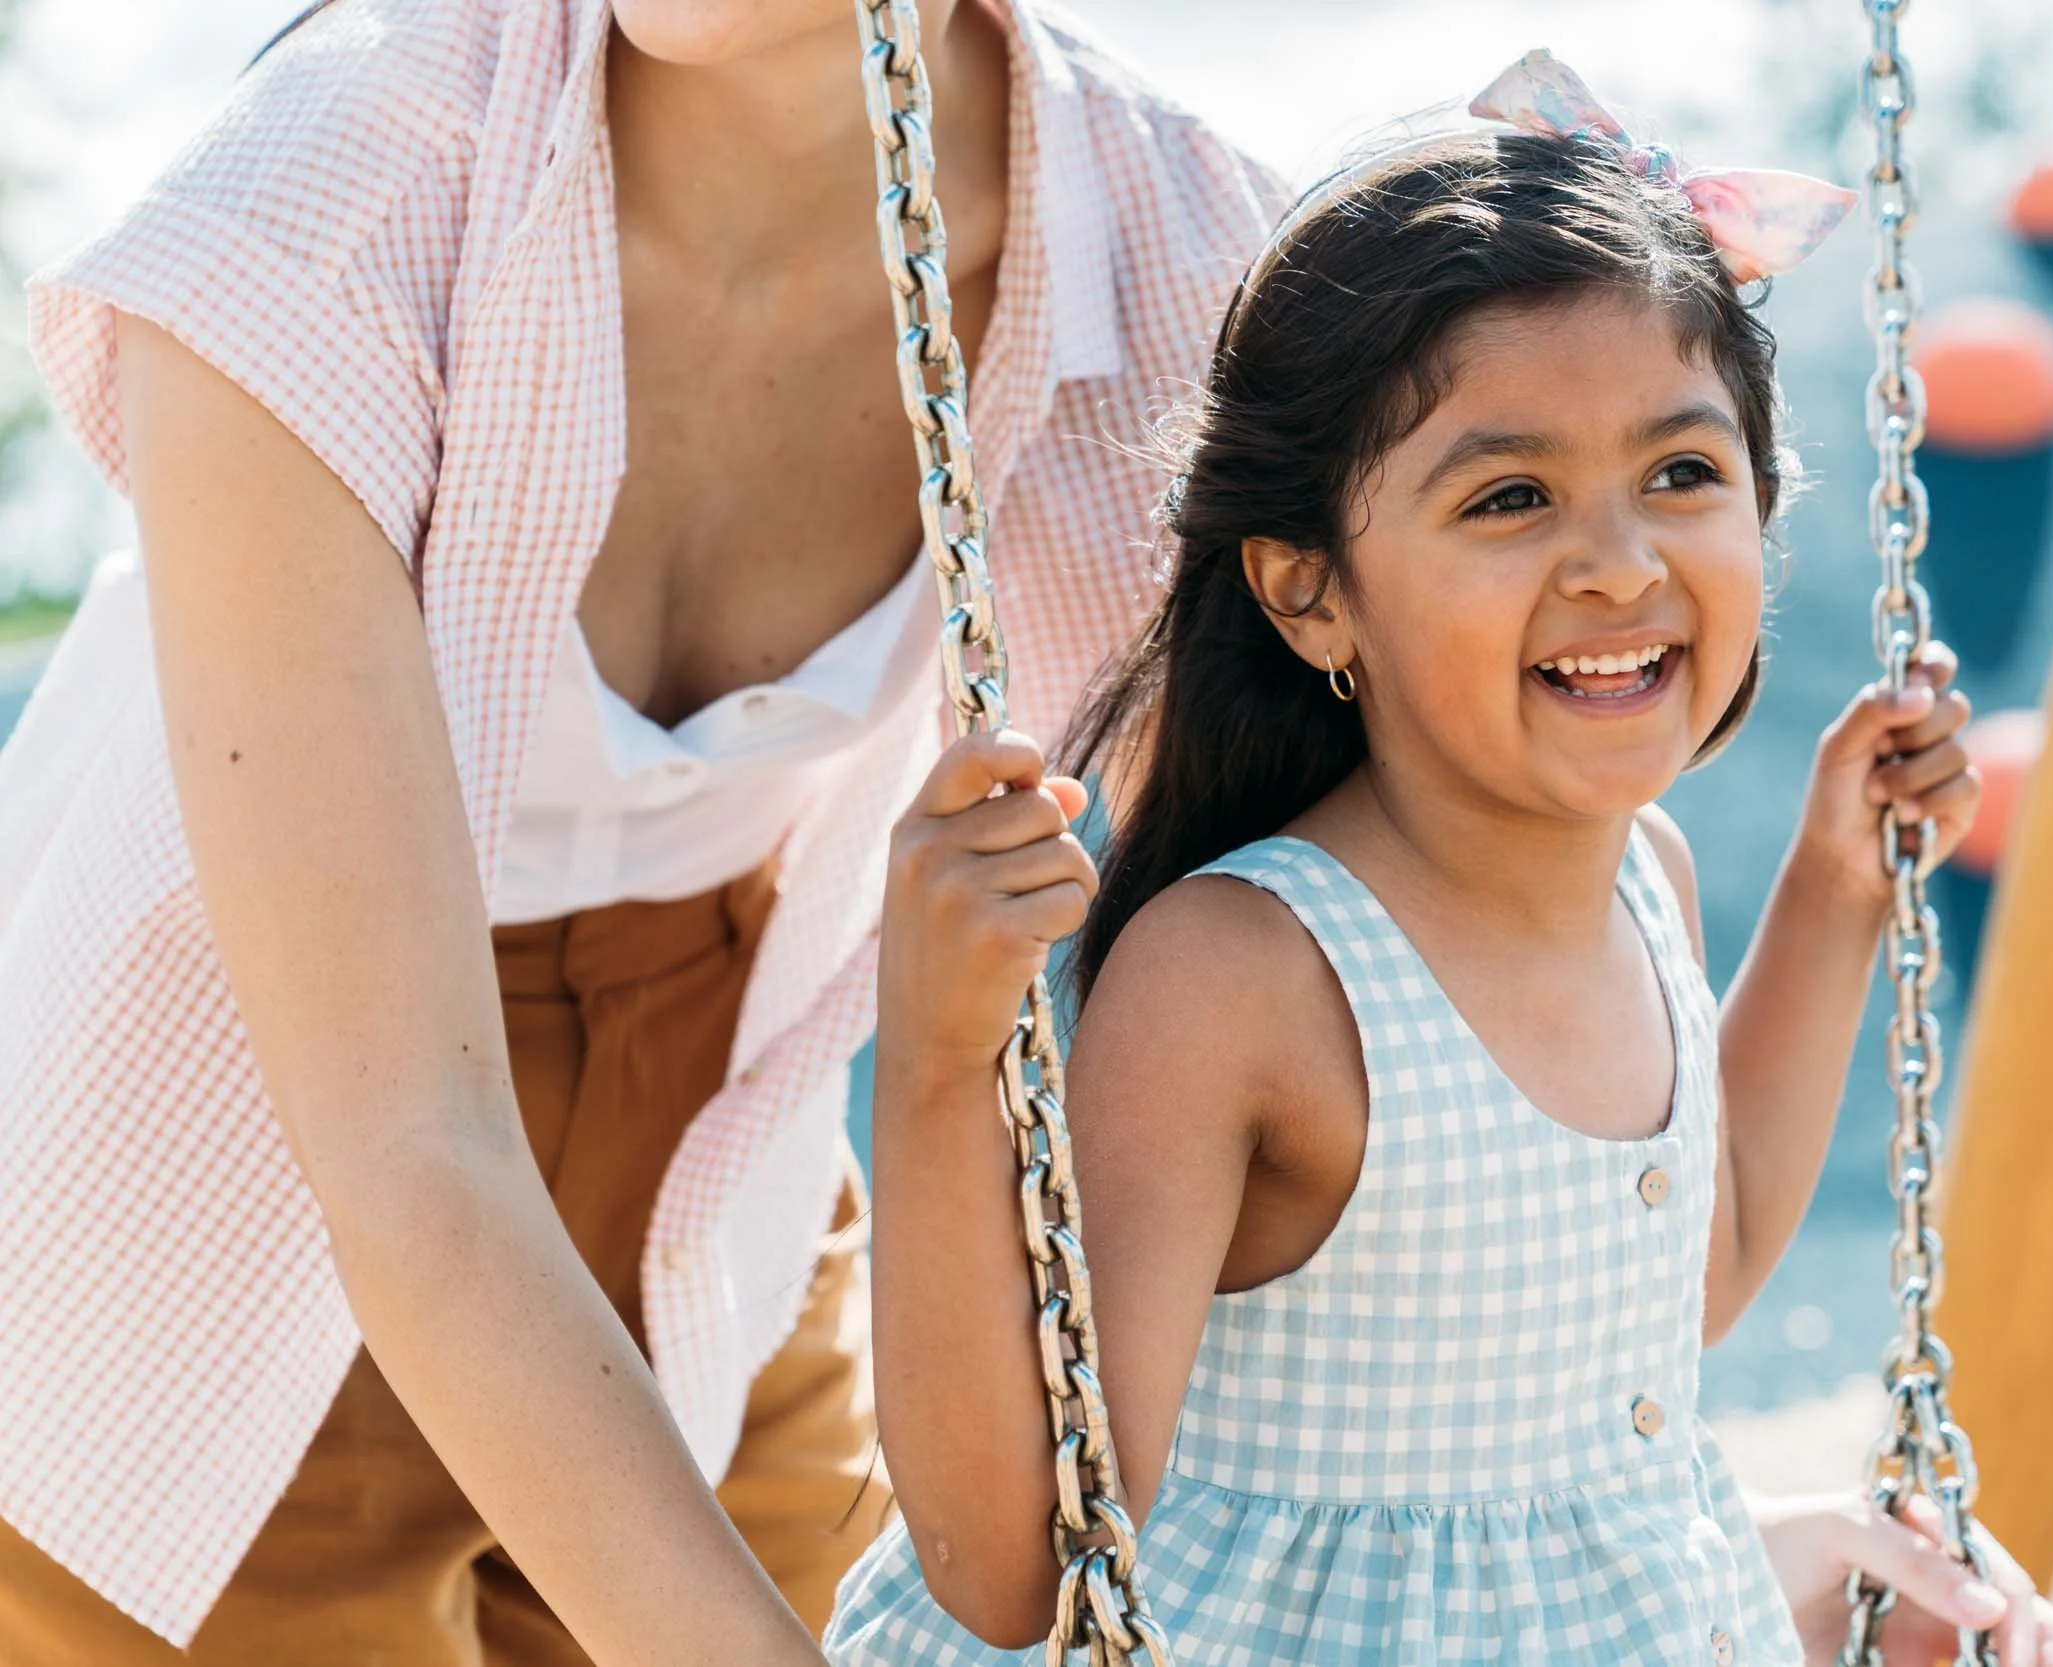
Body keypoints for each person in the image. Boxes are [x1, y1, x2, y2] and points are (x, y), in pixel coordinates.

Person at [0, 0, 1281, 1661]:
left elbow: (1318, 932)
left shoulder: (1177, 251)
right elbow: (410, 1149)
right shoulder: (315, 209)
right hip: (218, 1188)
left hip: (725, 1156)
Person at [833, 51, 2053, 1666]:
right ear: (1310, 590)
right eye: (1511, 497)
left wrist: (1836, 892)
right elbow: (1027, 1571)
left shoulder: (1652, 879)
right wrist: (939, 1065)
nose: (1618, 562)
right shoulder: (1247, 976)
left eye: (1681, 472)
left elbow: (1676, 1278)